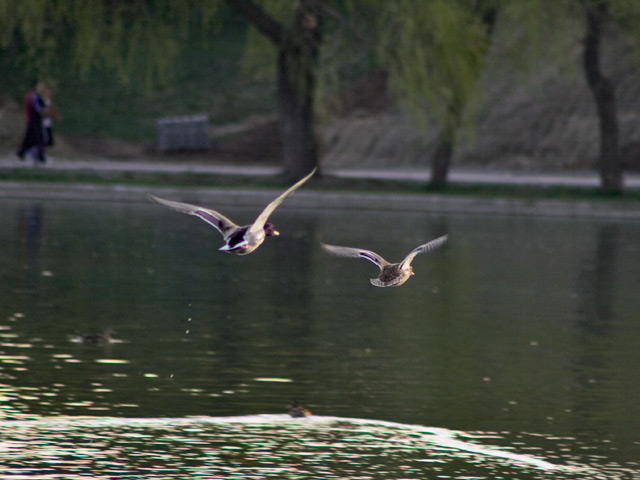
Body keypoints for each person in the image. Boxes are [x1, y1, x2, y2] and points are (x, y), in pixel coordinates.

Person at [16, 81, 48, 164]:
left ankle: (21, 153)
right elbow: (37, 108)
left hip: (32, 120)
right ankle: (41, 157)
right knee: (39, 138)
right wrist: (42, 112)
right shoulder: (33, 96)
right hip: (34, 120)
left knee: (29, 138)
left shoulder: (32, 96)